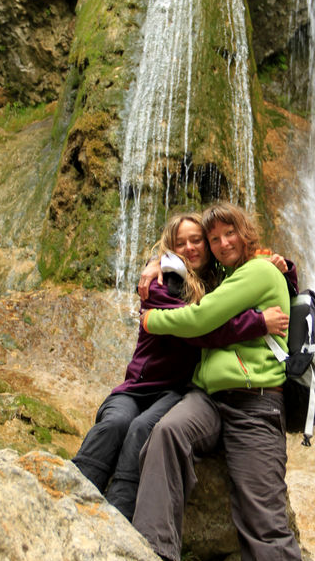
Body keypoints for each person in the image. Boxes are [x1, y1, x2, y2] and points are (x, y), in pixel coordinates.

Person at [133, 202, 312, 561]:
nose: (221, 243)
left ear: (245, 232)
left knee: (263, 514)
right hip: (211, 398)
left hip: (254, 403)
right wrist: (157, 262)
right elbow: (192, 278)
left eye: (228, 233)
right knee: (167, 432)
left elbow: (203, 319)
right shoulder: (225, 277)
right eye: (214, 239)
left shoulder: (258, 272)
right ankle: (152, 558)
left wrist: (153, 319)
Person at [72, 212, 289, 520]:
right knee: (115, 423)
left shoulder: (218, 282)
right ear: (169, 248)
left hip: (177, 390)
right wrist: (257, 323)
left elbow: (254, 275)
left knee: (141, 429)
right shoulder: (162, 281)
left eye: (197, 240)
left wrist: (283, 267)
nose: (190, 248)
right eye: (180, 242)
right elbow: (199, 328)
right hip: (138, 387)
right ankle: (71, 489)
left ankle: (116, 514)